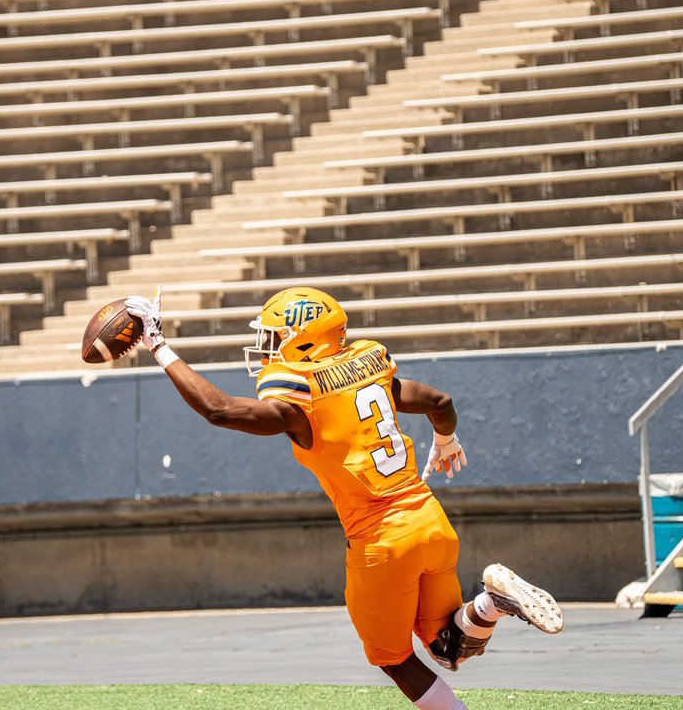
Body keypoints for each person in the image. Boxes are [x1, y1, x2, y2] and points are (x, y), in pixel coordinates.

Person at [124, 286, 562, 710]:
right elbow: (439, 400)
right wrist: (445, 439)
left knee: (393, 658)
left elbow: (219, 409)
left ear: (304, 339)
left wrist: (159, 345)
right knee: (450, 648)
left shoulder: (301, 396)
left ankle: (485, 627)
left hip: (381, 540)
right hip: (431, 520)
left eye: (276, 337)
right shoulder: (367, 365)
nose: (269, 347)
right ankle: (492, 602)